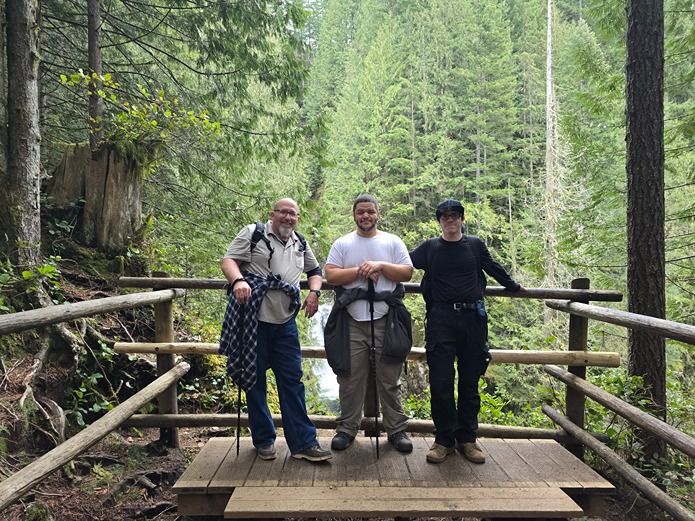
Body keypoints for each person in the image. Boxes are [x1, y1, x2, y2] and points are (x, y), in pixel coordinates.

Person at [409, 199, 526, 464]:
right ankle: (443, 441)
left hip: (473, 319)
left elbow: (493, 267)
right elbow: (403, 263)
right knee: (441, 383)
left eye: (454, 215)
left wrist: (512, 284)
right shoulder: (430, 247)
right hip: (440, 319)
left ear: (462, 219)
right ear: (439, 220)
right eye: (444, 216)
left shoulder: (474, 245)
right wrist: (375, 267)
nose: (449, 220)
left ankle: (467, 440)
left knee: (470, 383)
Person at [219, 198, 331, 462]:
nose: (288, 217)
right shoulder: (253, 232)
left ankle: (304, 444)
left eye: (293, 214)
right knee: (254, 380)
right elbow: (229, 260)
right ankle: (264, 439)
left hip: (285, 323)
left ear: (297, 218)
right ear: (273, 215)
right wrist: (238, 280)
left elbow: (315, 270)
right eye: (283, 212)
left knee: (292, 381)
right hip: (252, 320)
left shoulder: (299, 242)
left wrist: (314, 291)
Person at [323, 194, 414, 453]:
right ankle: (347, 428)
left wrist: (381, 266)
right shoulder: (342, 244)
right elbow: (331, 274)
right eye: (361, 212)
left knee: (389, 378)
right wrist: (361, 271)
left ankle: (396, 430)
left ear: (378, 214)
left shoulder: (392, 242)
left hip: (387, 318)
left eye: (370, 212)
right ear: (354, 215)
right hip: (351, 320)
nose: (366, 216)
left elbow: (406, 273)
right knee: (350, 378)